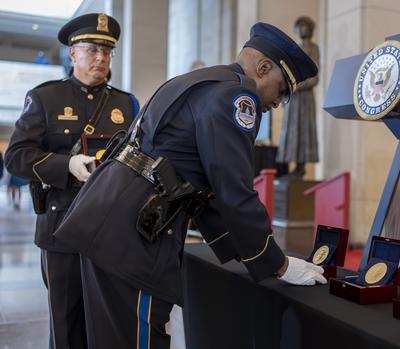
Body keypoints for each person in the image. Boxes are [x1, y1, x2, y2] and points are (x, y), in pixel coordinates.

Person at [54, 22, 327, 348]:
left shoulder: (196, 81)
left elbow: (200, 187)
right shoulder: (238, 95)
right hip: (135, 240)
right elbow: (233, 190)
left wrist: (249, 253)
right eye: (281, 90)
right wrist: (277, 264)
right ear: (264, 67)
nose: (278, 103)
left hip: (105, 223)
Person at [5, 13, 138, 349]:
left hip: (110, 230)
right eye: (93, 49)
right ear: (72, 53)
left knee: (109, 319)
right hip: (60, 225)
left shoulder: (126, 104)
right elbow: (17, 157)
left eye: (107, 52)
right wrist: (67, 165)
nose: (101, 58)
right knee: (65, 321)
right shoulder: (46, 98)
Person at [276, 16, 320, 178]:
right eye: (299, 26)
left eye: (304, 26)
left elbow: (314, 77)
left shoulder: (313, 48)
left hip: (305, 98)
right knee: (291, 130)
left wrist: (294, 86)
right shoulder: (296, 49)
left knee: (304, 130)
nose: (302, 29)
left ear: (310, 28)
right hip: (293, 98)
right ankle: (293, 166)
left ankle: (301, 167)